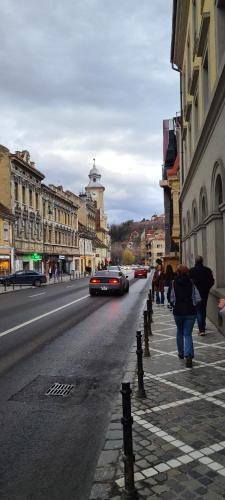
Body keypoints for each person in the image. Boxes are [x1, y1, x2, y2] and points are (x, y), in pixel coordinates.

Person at [170, 265, 201, 368]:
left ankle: (181, 353)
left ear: (178, 272)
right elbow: (198, 298)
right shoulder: (192, 283)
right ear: (187, 272)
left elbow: (171, 298)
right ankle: (188, 355)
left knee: (179, 331)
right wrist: (192, 303)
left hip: (178, 311)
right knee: (187, 334)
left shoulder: (174, 283)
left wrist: (175, 304)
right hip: (190, 311)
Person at [189, 256, 214, 336]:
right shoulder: (207, 270)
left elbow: (189, 282)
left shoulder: (192, 271)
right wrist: (207, 288)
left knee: (199, 311)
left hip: (196, 294)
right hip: (204, 293)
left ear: (195, 262)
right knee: (203, 309)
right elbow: (212, 281)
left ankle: (201, 329)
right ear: (202, 261)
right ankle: (203, 326)